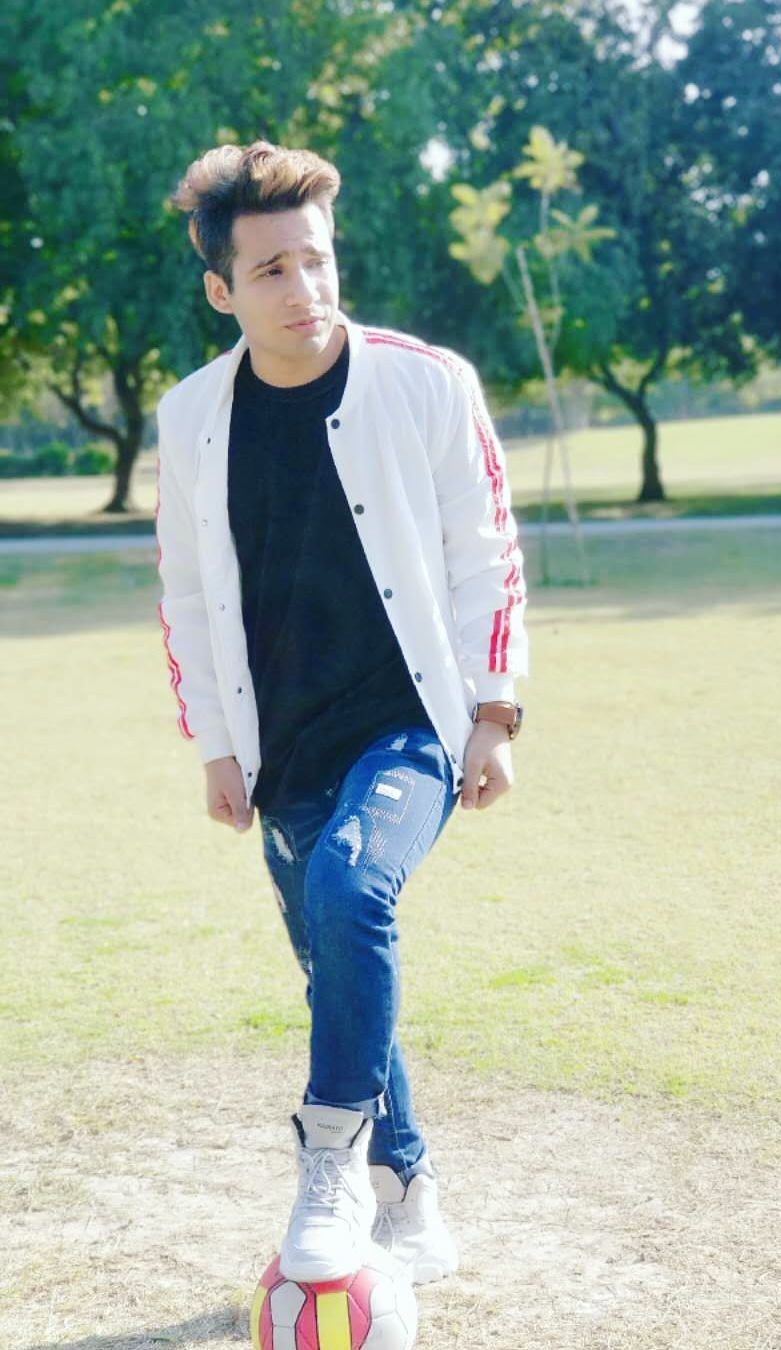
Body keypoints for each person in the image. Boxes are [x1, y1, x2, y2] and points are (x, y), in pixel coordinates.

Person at [156, 141, 527, 1286]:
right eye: (270, 270)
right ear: (221, 289)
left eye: (315, 259)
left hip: (411, 722)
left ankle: (328, 1160)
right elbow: (186, 593)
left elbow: (487, 551)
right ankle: (405, 1189)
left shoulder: (428, 383)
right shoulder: (189, 416)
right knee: (338, 970)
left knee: (353, 888)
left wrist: (495, 711)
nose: (303, 288)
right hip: (282, 744)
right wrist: (216, 745)